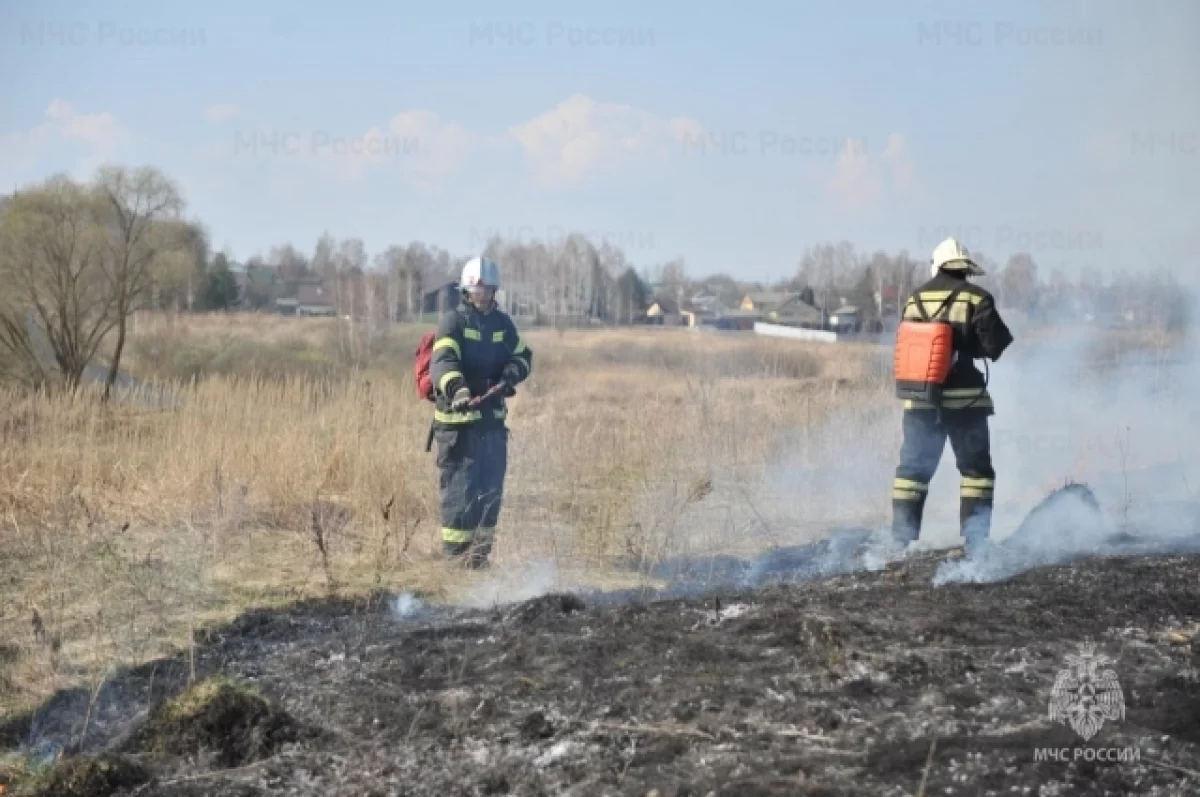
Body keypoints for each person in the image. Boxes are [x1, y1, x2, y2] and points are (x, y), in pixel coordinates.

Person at [890, 237, 1013, 558]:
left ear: (937, 264)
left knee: (912, 472)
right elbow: (994, 348)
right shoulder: (977, 298)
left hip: (919, 402)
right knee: (976, 472)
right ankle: (975, 543)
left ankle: (900, 541)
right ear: (964, 269)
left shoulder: (915, 300)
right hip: (966, 403)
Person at [428, 256, 532, 568]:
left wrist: (514, 370)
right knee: (461, 494)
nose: (483, 297)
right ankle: (457, 563)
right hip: (458, 427)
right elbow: (443, 361)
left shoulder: (502, 323)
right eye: (477, 291)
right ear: (466, 291)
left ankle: (480, 559)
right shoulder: (453, 322)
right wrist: (458, 389)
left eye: (488, 291)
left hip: (492, 425)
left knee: (490, 492)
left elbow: (523, 354)